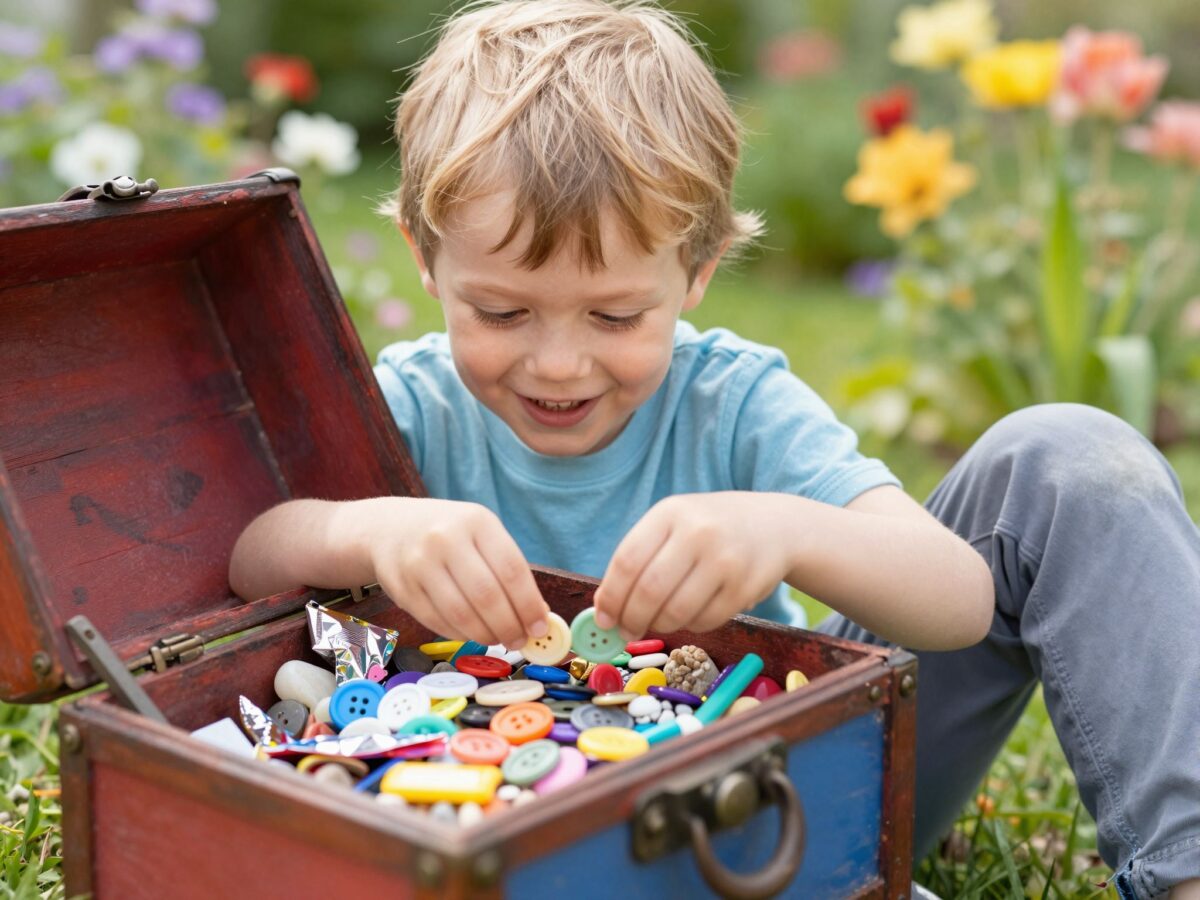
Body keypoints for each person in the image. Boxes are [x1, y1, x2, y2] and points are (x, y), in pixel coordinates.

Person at [228, 2, 1200, 896]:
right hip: (485, 826)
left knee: (1072, 455)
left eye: (614, 314)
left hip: (778, 799)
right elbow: (247, 556)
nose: (557, 363)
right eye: (500, 309)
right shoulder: (411, 403)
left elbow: (956, 600)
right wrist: (372, 532)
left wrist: (786, 531)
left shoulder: (734, 402)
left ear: (696, 271)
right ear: (422, 255)